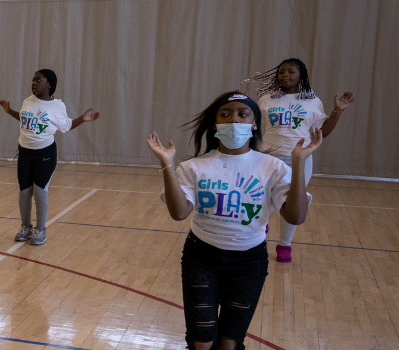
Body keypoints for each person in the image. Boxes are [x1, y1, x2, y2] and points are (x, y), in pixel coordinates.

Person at [147, 91, 318, 350]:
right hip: (201, 257)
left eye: (242, 114)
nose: (234, 121)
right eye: (225, 115)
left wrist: (298, 161)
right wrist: (167, 164)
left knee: (229, 343)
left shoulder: (273, 167)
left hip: (249, 262)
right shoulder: (194, 167)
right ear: (216, 125)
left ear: (254, 124)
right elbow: (179, 213)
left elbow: (296, 216)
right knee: (201, 342)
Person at [244, 58, 354, 262]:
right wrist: (245, 106)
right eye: (281, 72)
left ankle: (284, 245)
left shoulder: (312, 101)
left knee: (293, 203)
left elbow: (322, 132)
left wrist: (338, 111)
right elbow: (254, 128)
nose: (285, 75)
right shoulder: (267, 99)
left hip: (299, 160)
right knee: (260, 200)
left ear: (301, 75)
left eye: (291, 72)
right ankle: (258, 238)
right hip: (266, 157)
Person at [0, 69, 100, 245]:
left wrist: (83, 118)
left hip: (45, 153)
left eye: (38, 80)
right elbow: (24, 119)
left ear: (49, 84)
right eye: (33, 79)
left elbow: (66, 126)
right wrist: (9, 110)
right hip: (25, 152)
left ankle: (40, 230)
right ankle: (26, 227)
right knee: (24, 191)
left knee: (40, 192)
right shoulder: (28, 101)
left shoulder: (57, 106)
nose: (33, 83)